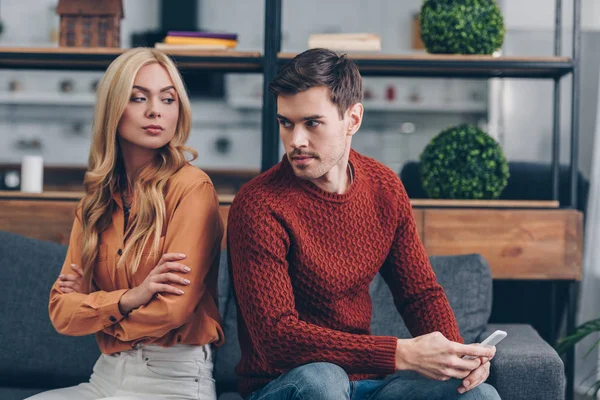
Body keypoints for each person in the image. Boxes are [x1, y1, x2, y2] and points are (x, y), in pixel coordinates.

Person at [227, 48, 501, 400]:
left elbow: (419, 294)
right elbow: (277, 338)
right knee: (323, 382)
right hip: (288, 383)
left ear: (352, 119)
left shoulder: (384, 187)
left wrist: (457, 356)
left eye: (312, 123)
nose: (295, 140)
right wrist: (402, 353)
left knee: (480, 397)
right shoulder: (259, 204)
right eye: (286, 123)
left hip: (370, 383)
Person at [28, 48, 223, 400]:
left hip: (173, 379)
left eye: (168, 99)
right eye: (138, 97)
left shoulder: (192, 188)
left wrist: (97, 313)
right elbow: (60, 311)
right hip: (105, 376)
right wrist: (129, 298)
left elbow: (172, 309)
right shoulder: (95, 203)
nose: (155, 110)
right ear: (113, 108)